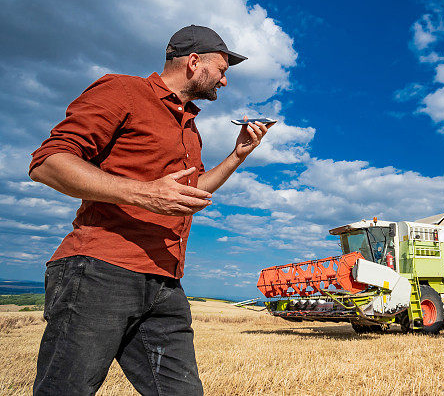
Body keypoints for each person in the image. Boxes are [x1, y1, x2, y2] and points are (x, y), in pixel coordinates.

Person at [28, 25, 272, 395]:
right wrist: (145, 194)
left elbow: (191, 192)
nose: (224, 81)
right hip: (100, 269)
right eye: (221, 70)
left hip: (164, 281)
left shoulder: (190, 127)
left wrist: (238, 155)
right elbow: (48, 162)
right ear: (193, 62)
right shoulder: (123, 90)